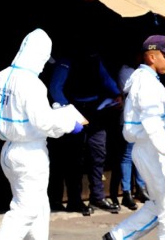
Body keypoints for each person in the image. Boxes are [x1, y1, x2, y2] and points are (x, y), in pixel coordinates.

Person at [0, 28, 85, 240]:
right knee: (24, 211)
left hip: (8, 148)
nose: (45, 65)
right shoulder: (32, 84)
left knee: (39, 207)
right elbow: (44, 123)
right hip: (29, 153)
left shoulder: (2, 75)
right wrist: (68, 123)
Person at [103, 34, 165, 240]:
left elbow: (157, 120)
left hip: (150, 148)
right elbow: (151, 122)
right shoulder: (148, 84)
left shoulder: (144, 81)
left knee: (159, 206)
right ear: (151, 57)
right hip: (156, 151)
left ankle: (117, 237)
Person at [49, 45, 123, 214]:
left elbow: (106, 80)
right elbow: (55, 88)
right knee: (74, 160)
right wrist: (69, 112)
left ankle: (97, 197)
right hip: (73, 112)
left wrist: (116, 94)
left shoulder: (94, 58)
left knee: (98, 156)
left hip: (95, 111)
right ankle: (74, 201)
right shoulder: (66, 60)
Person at [109, 50, 149, 211]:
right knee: (127, 155)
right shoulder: (126, 71)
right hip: (129, 119)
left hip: (143, 119)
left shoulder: (142, 73)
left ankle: (140, 188)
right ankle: (126, 192)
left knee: (140, 153)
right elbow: (134, 93)